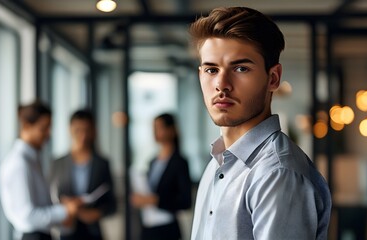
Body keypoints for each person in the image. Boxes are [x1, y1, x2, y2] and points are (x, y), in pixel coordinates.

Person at [189, 7, 332, 240]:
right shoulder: (217, 162)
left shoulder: (277, 173)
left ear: (273, 78)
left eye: (240, 68)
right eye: (211, 69)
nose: (221, 84)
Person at [0, 101, 82, 240]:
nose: (48, 134)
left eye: (49, 128)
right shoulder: (19, 163)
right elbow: (28, 216)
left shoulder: (32, 160)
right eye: (43, 128)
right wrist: (64, 211)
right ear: (26, 126)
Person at [49, 109, 117, 240]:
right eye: (77, 130)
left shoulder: (102, 164)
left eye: (87, 130)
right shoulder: (57, 163)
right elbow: (49, 197)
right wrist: (66, 206)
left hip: (92, 232)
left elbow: (112, 204)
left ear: (94, 131)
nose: (83, 136)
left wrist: (96, 213)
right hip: (66, 229)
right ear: (70, 130)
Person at [131, 113, 192, 240]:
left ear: (171, 130)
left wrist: (155, 200)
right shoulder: (152, 161)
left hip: (167, 228)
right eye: (153, 128)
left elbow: (185, 201)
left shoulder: (179, 162)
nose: (155, 132)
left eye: (159, 127)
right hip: (147, 226)